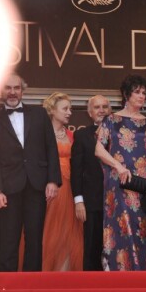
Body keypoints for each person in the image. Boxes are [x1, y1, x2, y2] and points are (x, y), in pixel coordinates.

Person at [0, 74, 61, 271]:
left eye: (16, 88)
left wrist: (53, 180)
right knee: (8, 241)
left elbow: (51, 147)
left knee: (34, 240)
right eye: (8, 88)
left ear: (22, 91)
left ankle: (32, 288)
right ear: (1, 91)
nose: (12, 92)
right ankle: (7, 289)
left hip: (36, 186)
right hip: (8, 189)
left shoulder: (40, 114)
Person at [95, 74, 146, 271]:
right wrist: (117, 166)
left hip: (144, 185)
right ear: (126, 94)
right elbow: (99, 150)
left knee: (144, 228)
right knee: (121, 226)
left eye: (144, 93)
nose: (141, 96)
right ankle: (121, 273)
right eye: (137, 92)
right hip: (118, 183)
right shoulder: (111, 120)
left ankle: (145, 273)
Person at [41, 92, 83, 271]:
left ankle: (63, 274)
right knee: (49, 231)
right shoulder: (41, 133)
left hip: (70, 189)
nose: (69, 112)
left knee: (68, 233)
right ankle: (45, 274)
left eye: (70, 109)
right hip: (50, 189)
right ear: (52, 110)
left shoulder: (71, 135)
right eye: (65, 109)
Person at [71, 95, 110, 271]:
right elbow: (76, 170)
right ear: (89, 112)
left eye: (104, 106)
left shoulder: (121, 132)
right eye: (96, 107)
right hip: (92, 201)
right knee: (92, 245)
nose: (101, 110)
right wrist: (79, 200)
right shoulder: (81, 135)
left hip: (118, 201)